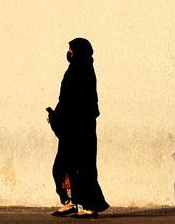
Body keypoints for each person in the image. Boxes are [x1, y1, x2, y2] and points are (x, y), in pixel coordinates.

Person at [47, 38, 109, 219]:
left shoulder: (82, 70)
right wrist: (56, 116)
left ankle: (90, 206)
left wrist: (59, 117)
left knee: (83, 167)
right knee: (62, 166)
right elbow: (65, 100)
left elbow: (75, 102)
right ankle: (71, 202)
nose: (69, 52)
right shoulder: (76, 68)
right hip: (71, 127)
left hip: (80, 128)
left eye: (71, 49)